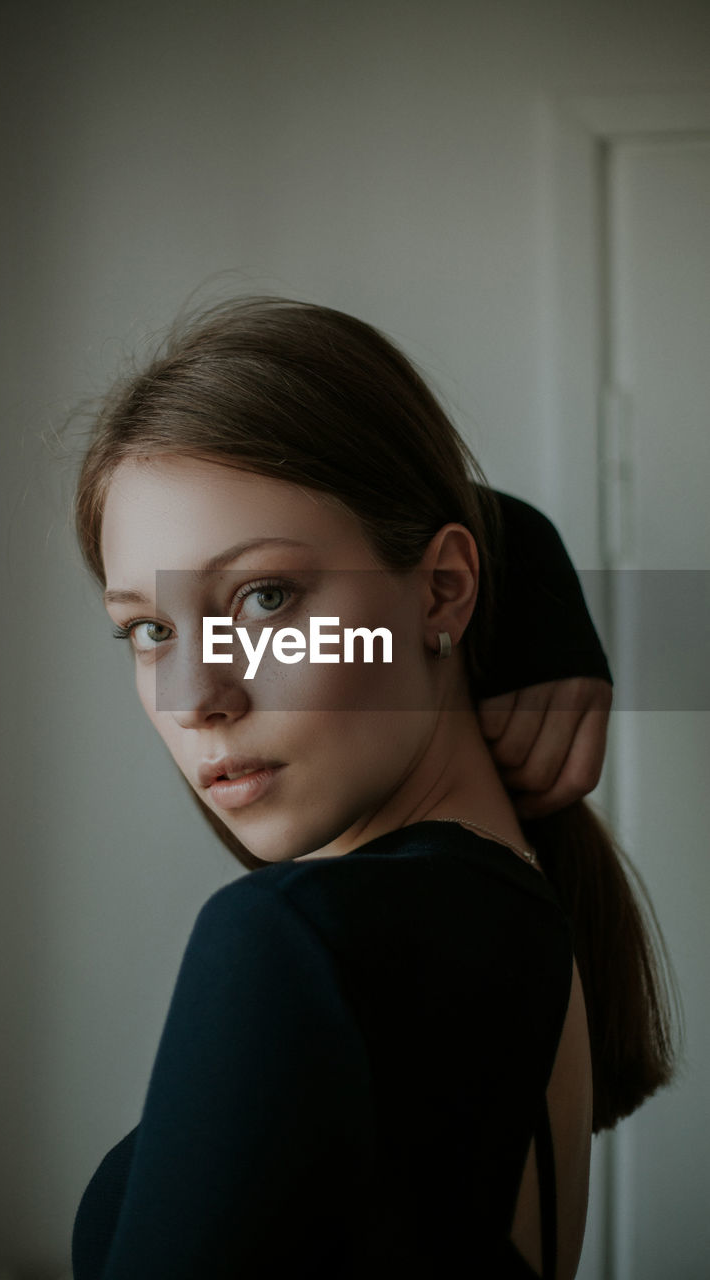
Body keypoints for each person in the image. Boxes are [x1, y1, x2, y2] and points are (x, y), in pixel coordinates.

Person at [69, 297, 678, 1279]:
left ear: (446, 589)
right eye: (149, 629)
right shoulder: (520, 924)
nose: (193, 697)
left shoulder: (293, 940)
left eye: (263, 597)